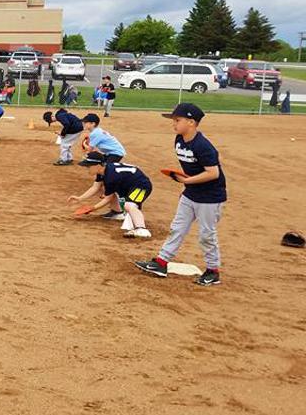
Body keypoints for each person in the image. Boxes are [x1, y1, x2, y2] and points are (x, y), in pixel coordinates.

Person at [135, 103, 226, 286]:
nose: (173, 124)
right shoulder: (179, 140)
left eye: (177, 120)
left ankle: (213, 271)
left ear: (191, 122)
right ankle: (161, 262)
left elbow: (213, 173)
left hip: (210, 197)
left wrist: (186, 182)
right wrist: (186, 187)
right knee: (177, 228)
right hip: (190, 193)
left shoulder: (202, 145)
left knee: (206, 235)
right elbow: (195, 166)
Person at [70, 152, 153, 238]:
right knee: (106, 191)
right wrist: (80, 198)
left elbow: (108, 198)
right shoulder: (103, 171)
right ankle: (117, 213)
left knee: (129, 205)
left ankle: (141, 229)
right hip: (128, 186)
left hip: (141, 186)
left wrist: (92, 208)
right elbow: (95, 187)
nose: (87, 169)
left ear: (98, 165)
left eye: (88, 166)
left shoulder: (111, 176)